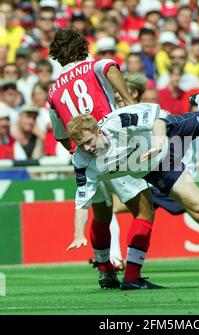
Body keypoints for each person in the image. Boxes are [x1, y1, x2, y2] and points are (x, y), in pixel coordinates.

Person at [67, 90, 199, 290]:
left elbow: (156, 121)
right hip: (157, 169)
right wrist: (78, 234)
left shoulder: (116, 123)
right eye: (81, 145)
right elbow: (82, 203)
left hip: (168, 133)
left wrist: (157, 142)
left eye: (88, 142)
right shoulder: (82, 161)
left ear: (99, 132)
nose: (87, 149)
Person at [48, 28, 158, 290]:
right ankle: (132, 275)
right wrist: (130, 103)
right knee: (144, 210)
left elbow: (61, 136)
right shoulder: (92, 64)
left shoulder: (53, 92)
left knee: (101, 214)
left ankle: (106, 271)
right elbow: (110, 67)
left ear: (57, 57)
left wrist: (79, 153)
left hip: (87, 159)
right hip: (114, 147)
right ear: (82, 46)